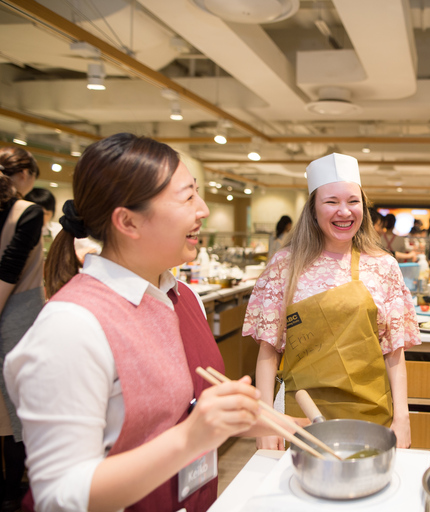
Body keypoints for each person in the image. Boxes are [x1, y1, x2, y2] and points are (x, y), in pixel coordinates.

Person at [4, 134, 280, 512]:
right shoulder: (71, 326)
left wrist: (301, 428)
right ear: (128, 222)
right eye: (187, 197)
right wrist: (191, 437)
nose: (203, 210)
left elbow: (190, 409)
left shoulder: (182, 296)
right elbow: (58, 497)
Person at [243, 153, 419, 451]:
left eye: (353, 201)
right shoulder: (284, 266)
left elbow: (394, 350)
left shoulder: (383, 266)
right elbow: (269, 351)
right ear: (312, 210)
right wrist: (266, 420)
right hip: (302, 418)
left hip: (371, 413)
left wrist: (402, 417)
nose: (344, 211)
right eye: (331, 202)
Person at [0, 147, 43, 511]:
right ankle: (15, 491)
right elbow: (9, 270)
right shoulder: (26, 212)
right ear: (25, 175)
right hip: (17, 313)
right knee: (18, 406)